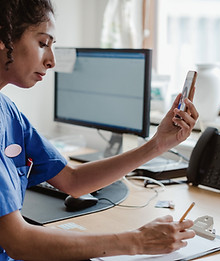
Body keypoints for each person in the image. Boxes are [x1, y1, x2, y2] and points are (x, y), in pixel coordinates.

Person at [0, 0, 199, 260]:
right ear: (4, 37)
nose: (52, 61)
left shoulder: (8, 111)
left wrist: (158, 144)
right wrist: (137, 241)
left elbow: (72, 181)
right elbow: (19, 242)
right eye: (42, 43)